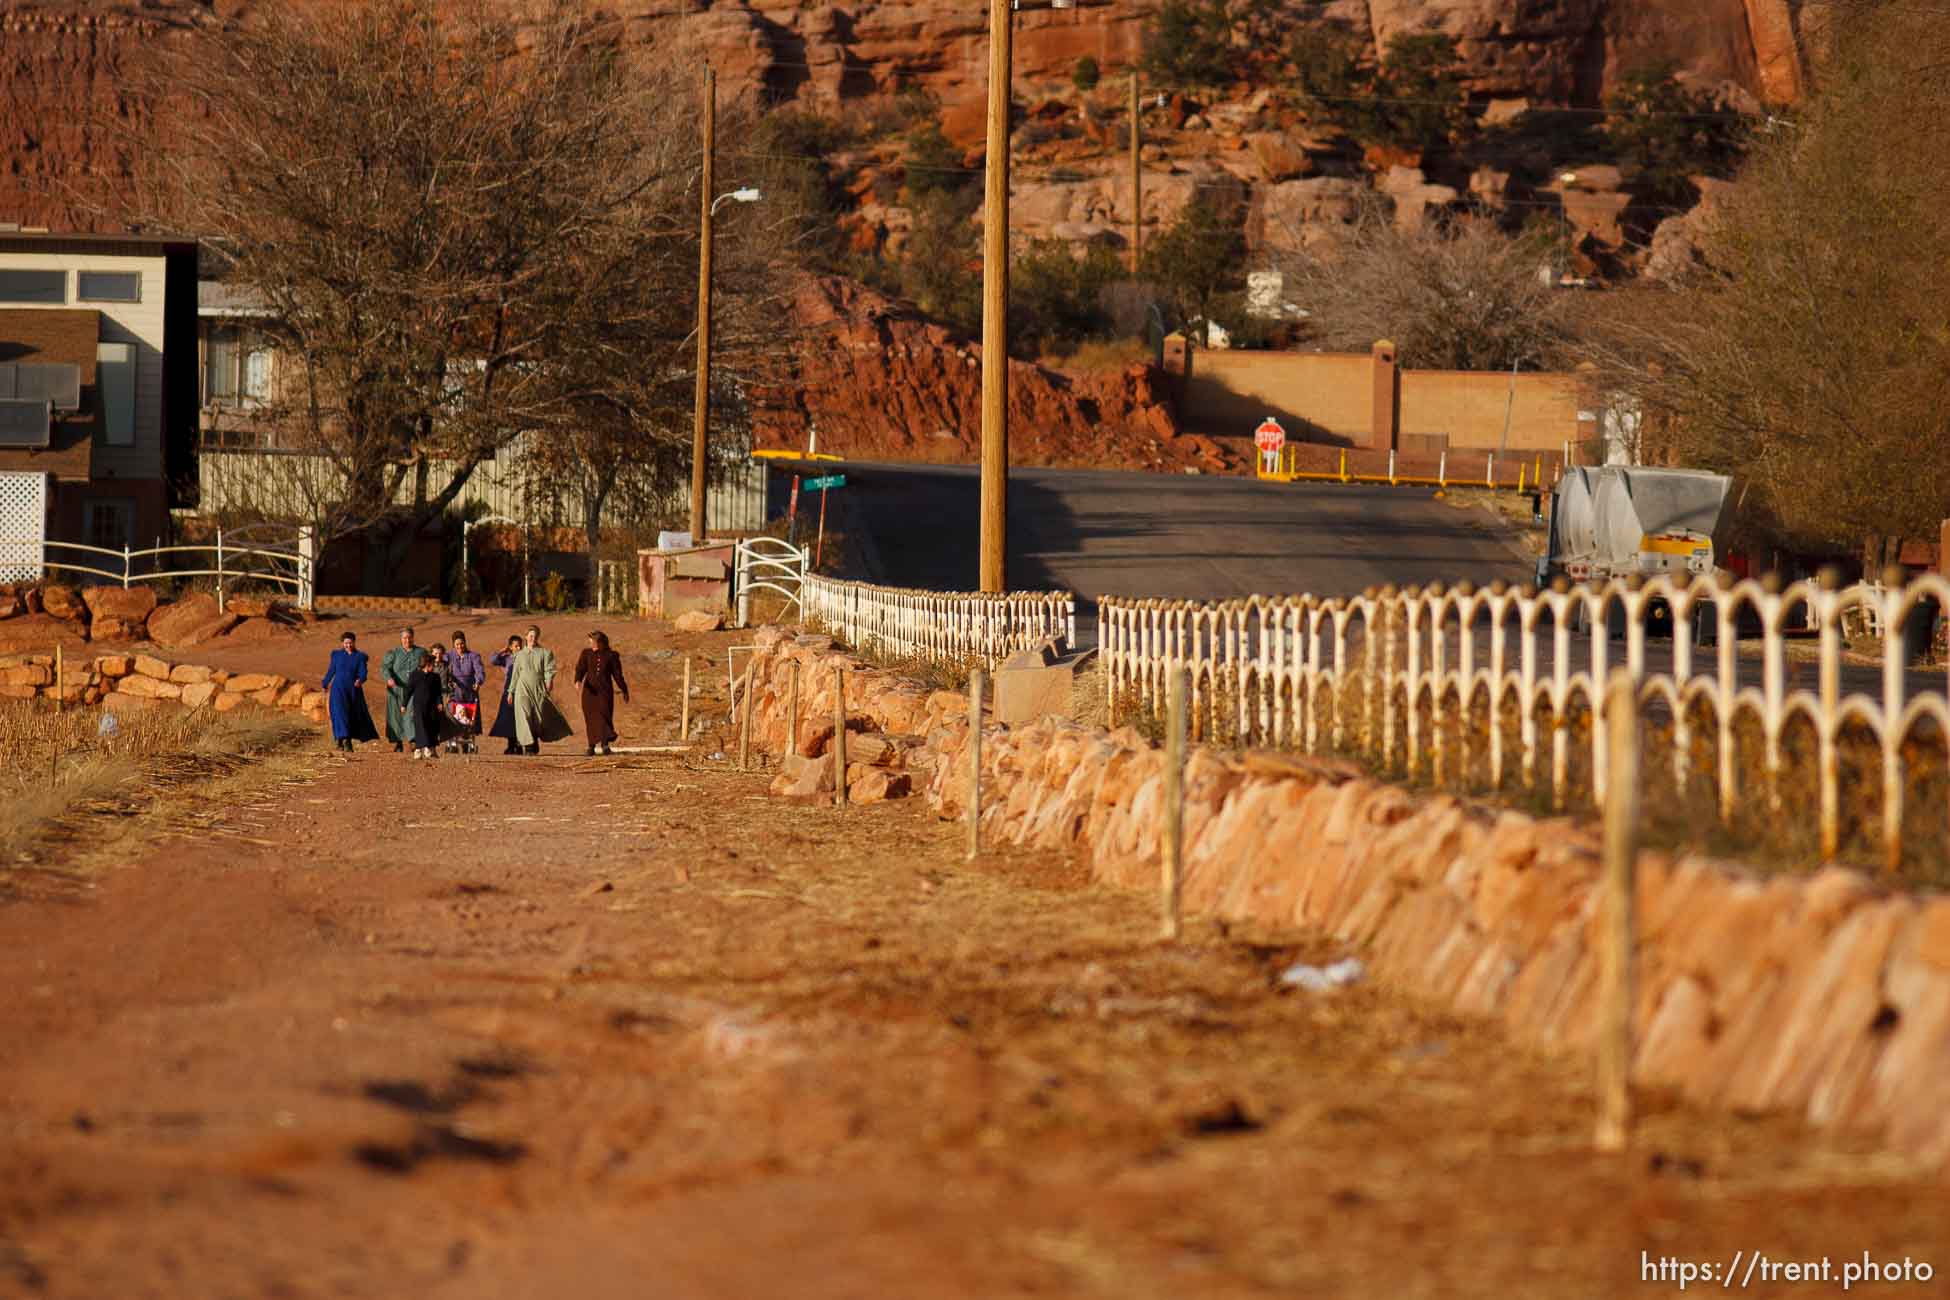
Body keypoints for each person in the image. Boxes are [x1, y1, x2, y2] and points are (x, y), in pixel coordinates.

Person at [509, 624, 570, 755]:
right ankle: (529, 745)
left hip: (538, 687)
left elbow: (549, 670)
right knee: (525, 715)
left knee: (538, 717)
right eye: (530, 635)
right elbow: (515, 674)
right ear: (526, 637)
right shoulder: (519, 655)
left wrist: (549, 681)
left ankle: (534, 738)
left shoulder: (544, 653)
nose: (532, 638)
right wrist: (510, 691)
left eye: (535, 636)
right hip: (522, 688)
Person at [574, 629, 630, 756]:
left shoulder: (611, 655)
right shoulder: (586, 653)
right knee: (591, 719)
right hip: (589, 692)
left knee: (604, 716)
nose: (591, 645)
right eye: (591, 642)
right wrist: (577, 680)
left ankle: (605, 745)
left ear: (602, 643)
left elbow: (617, 675)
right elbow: (580, 668)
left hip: (605, 692)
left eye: (594, 642)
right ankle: (591, 746)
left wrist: (624, 689)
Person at [321, 630, 379, 752]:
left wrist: (360, 680)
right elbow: (331, 670)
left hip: (353, 690)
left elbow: (363, 672)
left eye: (350, 643)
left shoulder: (360, 657)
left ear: (354, 642)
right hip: (338, 689)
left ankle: (346, 740)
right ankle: (342, 740)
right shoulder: (336, 655)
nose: (348, 645)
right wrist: (325, 683)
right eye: (346, 643)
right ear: (342, 643)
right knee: (338, 714)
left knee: (350, 714)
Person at [380, 627, 420, 753]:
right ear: (401, 639)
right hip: (396, 690)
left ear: (413, 637)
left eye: (409, 637)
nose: (407, 640)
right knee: (396, 716)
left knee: (411, 714)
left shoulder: (421, 652)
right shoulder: (394, 653)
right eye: (404, 638)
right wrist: (389, 679)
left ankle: (413, 741)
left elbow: (429, 664)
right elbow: (384, 668)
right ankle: (398, 742)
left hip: (414, 690)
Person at [446, 631, 485, 754]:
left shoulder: (473, 656)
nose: (459, 647)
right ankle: (452, 743)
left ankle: (467, 742)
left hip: (469, 692)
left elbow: (480, 671)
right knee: (454, 717)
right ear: (453, 644)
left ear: (465, 642)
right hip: (455, 692)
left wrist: (478, 682)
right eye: (457, 644)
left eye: (461, 643)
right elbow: (441, 667)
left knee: (468, 718)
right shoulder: (449, 656)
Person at [487, 633, 525, 755]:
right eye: (516, 646)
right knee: (509, 719)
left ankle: (520, 745)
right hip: (508, 692)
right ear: (511, 647)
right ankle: (511, 745)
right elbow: (493, 660)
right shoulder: (507, 658)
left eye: (520, 646)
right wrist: (503, 650)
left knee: (520, 719)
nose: (518, 648)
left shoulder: (524, 657)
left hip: (522, 691)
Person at [406, 650, 446, 760]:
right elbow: (409, 691)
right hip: (419, 707)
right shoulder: (415, 675)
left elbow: (438, 693)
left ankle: (430, 749)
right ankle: (418, 750)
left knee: (432, 727)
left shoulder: (435, 677)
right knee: (420, 727)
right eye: (433, 664)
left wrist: (440, 703)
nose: (434, 667)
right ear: (427, 664)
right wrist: (404, 705)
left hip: (432, 707)